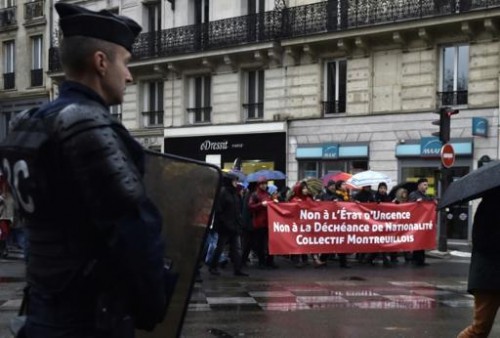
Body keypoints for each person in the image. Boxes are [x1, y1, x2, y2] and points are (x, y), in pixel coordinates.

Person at [0, 3, 172, 337]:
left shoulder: (27, 124)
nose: (129, 75)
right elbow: (134, 231)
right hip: (88, 319)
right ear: (101, 62)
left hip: (43, 306)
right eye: (125, 62)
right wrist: (152, 305)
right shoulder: (86, 124)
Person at [458, 187, 500, 338]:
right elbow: (484, 242)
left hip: (490, 276)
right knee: (479, 329)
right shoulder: (489, 209)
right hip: (489, 279)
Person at [209, 173, 248, 277]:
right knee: (220, 248)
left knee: (237, 249)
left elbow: (238, 210)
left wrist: (239, 223)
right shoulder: (222, 193)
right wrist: (225, 223)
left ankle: (237, 269)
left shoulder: (235, 193)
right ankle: (213, 266)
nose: (236, 182)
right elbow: (219, 211)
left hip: (234, 226)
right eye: (234, 180)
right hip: (225, 227)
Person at [248, 177, 278, 269]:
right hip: (259, 223)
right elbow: (250, 206)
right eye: (262, 184)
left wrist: (275, 202)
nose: (264, 185)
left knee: (271, 242)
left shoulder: (268, 194)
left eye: (265, 183)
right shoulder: (255, 195)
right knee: (260, 243)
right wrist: (261, 204)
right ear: (259, 185)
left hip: (269, 222)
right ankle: (262, 262)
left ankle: (270, 261)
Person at [408, 178, 433, 266]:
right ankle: (416, 259)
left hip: (423, 222)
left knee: (422, 241)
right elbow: (409, 205)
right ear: (419, 186)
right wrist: (416, 202)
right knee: (417, 240)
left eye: (427, 185)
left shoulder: (426, 196)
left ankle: (421, 260)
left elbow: (430, 204)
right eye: (424, 184)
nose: (426, 186)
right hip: (416, 221)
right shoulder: (413, 194)